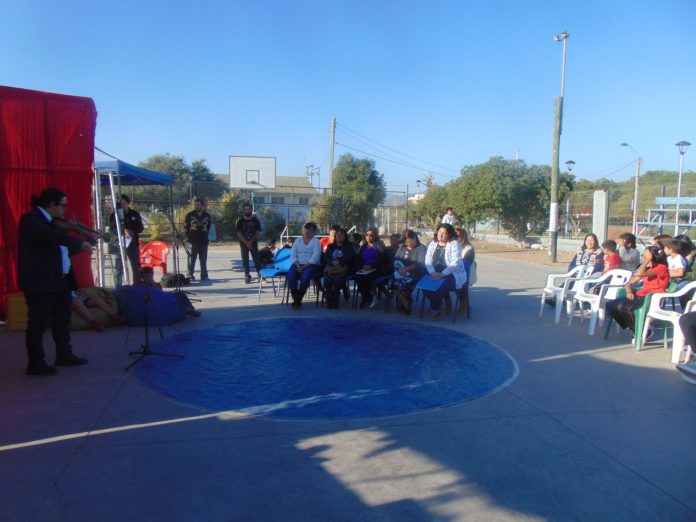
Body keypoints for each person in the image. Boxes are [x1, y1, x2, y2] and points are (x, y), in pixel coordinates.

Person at [18, 188, 93, 375]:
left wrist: (87, 241)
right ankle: (35, 363)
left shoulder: (53, 224)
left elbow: (61, 250)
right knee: (38, 322)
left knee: (62, 318)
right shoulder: (31, 220)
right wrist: (76, 241)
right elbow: (49, 237)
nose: (65, 211)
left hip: (59, 279)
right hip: (40, 281)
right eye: (63, 206)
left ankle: (64, 354)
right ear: (51, 205)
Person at [605, 245, 670, 337]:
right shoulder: (647, 268)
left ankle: (643, 332)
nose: (643, 258)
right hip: (641, 295)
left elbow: (640, 273)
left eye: (646, 256)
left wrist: (647, 261)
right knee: (610, 305)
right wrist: (629, 291)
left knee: (622, 307)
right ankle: (632, 327)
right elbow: (628, 283)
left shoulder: (661, 268)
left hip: (652, 298)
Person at [423, 223, 467, 320]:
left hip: (451, 274)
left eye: (444, 233)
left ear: (449, 234)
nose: (441, 235)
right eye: (439, 232)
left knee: (438, 287)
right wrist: (432, 272)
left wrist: (442, 274)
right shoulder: (433, 243)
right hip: (434, 273)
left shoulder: (454, 243)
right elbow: (427, 259)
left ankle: (435, 309)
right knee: (424, 286)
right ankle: (439, 304)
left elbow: (455, 263)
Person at [109, 194, 144, 287]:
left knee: (136, 266)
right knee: (119, 267)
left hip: (132, 244)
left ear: (128, 203)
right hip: (120, 244)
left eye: (124, 203)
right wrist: (122, 231)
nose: (122, 206)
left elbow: (140, 228)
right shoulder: (114, 215)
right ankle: (118, 287)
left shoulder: (134, 214)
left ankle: (137, 286)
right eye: (120, 204)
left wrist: (132, 231)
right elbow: (112, 229)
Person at [391, 230, 427, 314]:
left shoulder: (421, 248)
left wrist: (406, 269)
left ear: (414, 238)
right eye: (406, 242)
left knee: (406, 282)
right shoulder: (402, 247)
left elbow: (420, 264)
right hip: (401, 271)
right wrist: (399, 268)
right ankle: (405, 301)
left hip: (416, 273)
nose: (408, 244)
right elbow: (396, 260)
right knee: (391, 282)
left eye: (410, 241)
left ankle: (406, 299)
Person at [288, 222, 322, 308]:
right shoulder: (298, 240)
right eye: (306, 229)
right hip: (297, 263)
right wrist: (298, 265)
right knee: (290, 275)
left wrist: (304, 267)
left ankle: (299, 298)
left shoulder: (316, 241)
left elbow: (316, 257)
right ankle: (295, 296)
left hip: (311, 264)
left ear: (313, 231)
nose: (307, 231)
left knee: (305, 276)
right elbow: (293, 255)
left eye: (310, 230)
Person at [355, 227, 391, 308]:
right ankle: (367, 298)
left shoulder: (380, 244)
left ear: (375, 236)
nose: (368, 237)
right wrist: (361, 267)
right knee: (358, 277)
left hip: (377, 269)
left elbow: (383, 258)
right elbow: (359, 259)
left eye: (371, 235)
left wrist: (371, 266)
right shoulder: (363, 246)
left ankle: (367, 298)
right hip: (364, 269)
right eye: (367, 235)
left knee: (367, 278)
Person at [322, 228, 355, 309]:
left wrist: (339, 261)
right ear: (335, 236)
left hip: (343, 268)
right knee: (327, 281)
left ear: (345, 236)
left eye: (342, 234)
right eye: (338, 234)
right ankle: (329, 300)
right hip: (331, 267)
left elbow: (350, 257)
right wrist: (332, 262)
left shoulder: (349, 246)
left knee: (337, 281)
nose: (339, 236)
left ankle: (335, 300)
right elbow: (325, 257)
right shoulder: (330, 246)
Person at [185, 198, 212, 281]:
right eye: (195, 205)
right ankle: (190, 275)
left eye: (198, 205)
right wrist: (189, 236)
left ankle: (204, 275)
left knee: (203, 259)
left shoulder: (207, 216)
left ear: (202, 206)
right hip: (193, 241)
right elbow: (186, 227)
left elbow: (208, 227)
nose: (196, 206)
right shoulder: (189, 215)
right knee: (191, 259)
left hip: (203, 241)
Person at [236, 203, 262, 284]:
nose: (247, 210)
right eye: (246, 209)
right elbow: (239, 233)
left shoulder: (256, 221)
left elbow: (257, 233)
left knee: (256, 259)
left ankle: (260, 275)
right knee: (245, 260)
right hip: (243, 244)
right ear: (243, 210)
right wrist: (246, 242)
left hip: (253, 243)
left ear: (251, 210)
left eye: (249, 209)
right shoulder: (240, 221)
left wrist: (250, 242)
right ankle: (247, 275)